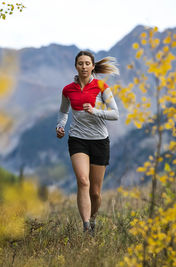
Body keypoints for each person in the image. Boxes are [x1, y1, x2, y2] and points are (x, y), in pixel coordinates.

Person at [56, 50, 119, 234]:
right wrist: (60, 126)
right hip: (78, 140)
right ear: (76, 66)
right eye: (80, 63)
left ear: (92, 66)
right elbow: (63, 112)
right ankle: (86, 227)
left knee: (95, 193)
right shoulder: (68, 90)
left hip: (100, 141)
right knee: (83, 181)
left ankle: (92, 219)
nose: (84, 67)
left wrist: (95, 111)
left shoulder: (101, 86)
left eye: (87, 63)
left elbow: (115, 114)